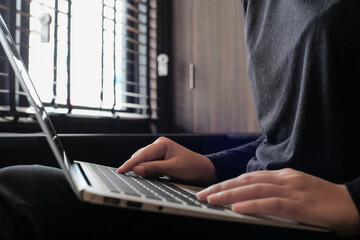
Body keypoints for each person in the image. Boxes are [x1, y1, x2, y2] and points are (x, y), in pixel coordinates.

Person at [0, 0, 359, 239]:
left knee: (20, 196)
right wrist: (211, 166)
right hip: (250, 199)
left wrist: (352, 201)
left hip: (322, 218)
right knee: (21, 184)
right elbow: (292, 133)